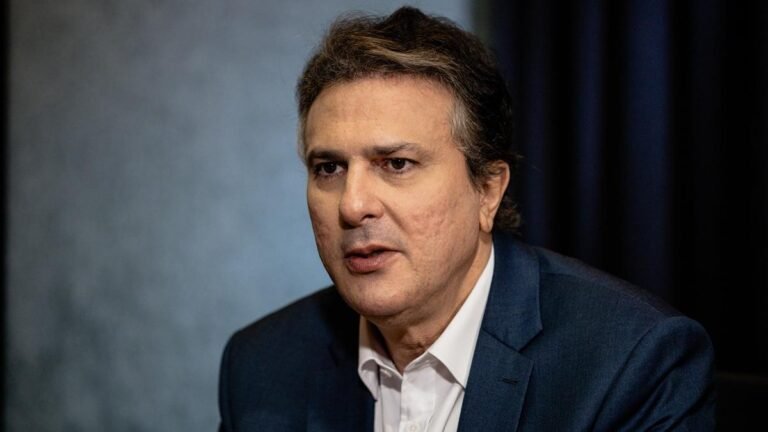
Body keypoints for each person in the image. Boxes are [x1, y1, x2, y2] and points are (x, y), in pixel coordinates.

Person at [218, 6, 715, 431]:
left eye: (396, 164)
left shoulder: (630, 362)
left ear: (488, 190)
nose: (352, 205)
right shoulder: (262, 365)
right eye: (329, 168)